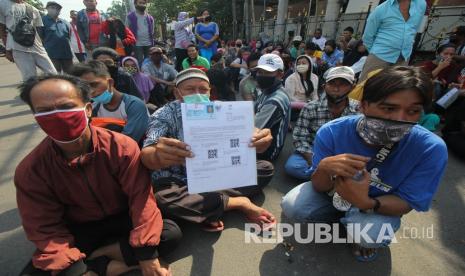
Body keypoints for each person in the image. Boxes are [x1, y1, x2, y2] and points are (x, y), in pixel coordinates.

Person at [16, 74, 181, 276]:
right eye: (44, 111)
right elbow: (43, 226)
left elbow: (140, 199)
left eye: (66, 107)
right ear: (36, 117)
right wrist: (64, 258)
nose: (57, 116)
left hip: (124, 217)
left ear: (87, 109)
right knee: (39, 271)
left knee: (169, 234)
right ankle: (109, 265)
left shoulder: (121, 147)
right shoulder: (31, 169)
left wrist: (147, 254)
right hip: (80, 229)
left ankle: (95, 262)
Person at [281, 66, 447, 262]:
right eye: (389, 108)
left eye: (413, 111)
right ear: (363, 106)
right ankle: (347, 221)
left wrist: (367, 203)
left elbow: (407, 202)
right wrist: (324, 168)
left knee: (370, 234)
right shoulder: (331, 132)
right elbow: (319, 186)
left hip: (378, 206)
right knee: (293, 206)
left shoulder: (431, 149)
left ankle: (359, 229)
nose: (400, 119)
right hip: (333, 194)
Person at [140, 68, 276, 232]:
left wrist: (260, 139)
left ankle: (207, 207)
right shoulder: (164, 115)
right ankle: (237, 202)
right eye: (190, 89)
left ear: (210, 92)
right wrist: (157, 155)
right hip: (176, 181)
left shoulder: (222, 110)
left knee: (265, 169)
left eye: (203, 89)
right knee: (162, 198)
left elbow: (251, 133)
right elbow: (147, 151)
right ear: (177, 93)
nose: (197, 94)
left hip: (216, 174)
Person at [285, 66, 359, 180]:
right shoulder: (310, 107)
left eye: (343, 84)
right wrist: (315, 162)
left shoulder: (358, 110)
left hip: (343, 155)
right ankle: (334, 179)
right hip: (313, 151)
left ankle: (328, 178)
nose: (336, 88)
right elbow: (300, 137)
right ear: (324, 86)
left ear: (352, 87)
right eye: (332, 83)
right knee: (293, 167)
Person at [70, 60, 149, 143]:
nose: (91, 91)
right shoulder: (94, 108)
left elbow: (128, 141)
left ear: (110, 82)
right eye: (85, 88)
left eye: (94, 85)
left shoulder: (134, 105)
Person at [359, 0, 426, 82]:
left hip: (404, 56)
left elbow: (414, 28)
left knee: (394, 91)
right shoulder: (381, 9)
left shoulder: (421, 4)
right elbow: (367, 37)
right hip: (379, 56)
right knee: (367, 87)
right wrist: (376, 54)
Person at [0, 0, 57, 81]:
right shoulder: (2, 4)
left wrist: (42, 46)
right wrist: (7, 50)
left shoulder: (33, 9)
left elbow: (37, 30)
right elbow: (1, 29)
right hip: (18, 48)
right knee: (30, 79)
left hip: (37, 48)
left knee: (54, 75)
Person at [254, 53, 291, 161]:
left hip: (268, 152)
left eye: (268, 73)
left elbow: (254, 130)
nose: (262, 76)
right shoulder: (267, 90)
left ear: (280, 74)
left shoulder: (275, 100)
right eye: (260, 72)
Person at [39, 1, 73, 74]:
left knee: (70, 75)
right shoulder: (41, 21)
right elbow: (39, 38)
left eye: (58, 9)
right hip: (51, 54)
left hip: (66, 54)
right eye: (52, 8)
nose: (55, 10)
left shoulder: (65, 22)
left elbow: (69, 36)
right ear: (47, 9)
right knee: (54, 76)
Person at [126, 0, 154, 64]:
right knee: (139, 62)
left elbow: (152, 31)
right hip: (137, 44)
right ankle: (140, 74)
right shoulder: (130, 16)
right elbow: (126, 30)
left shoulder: (150, 17)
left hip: (148, 43)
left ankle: (148, 74)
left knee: (149, 62)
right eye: (140, 3)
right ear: (135, 4)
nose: (142, 5)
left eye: (144, 3)